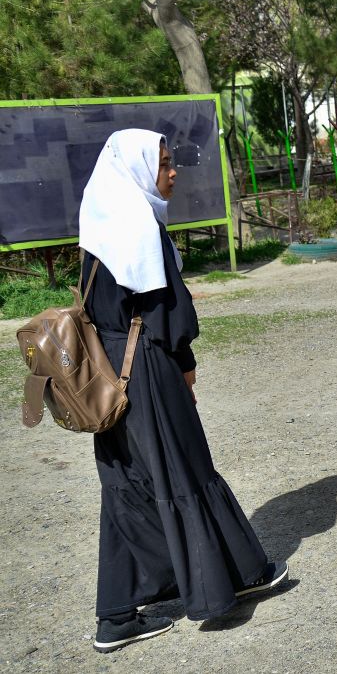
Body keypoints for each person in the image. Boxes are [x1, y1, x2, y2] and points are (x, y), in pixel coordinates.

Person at [78, 130, 287, 653]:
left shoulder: (101, 222)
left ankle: (118, 615)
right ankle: (221, 587)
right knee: (184, 468)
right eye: (165, 165)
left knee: (127, 483)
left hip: (109, 370)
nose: (173, 173)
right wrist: (186, 368)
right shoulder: (138, 225)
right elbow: (167, 316)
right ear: (138, 170)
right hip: (147, 368)